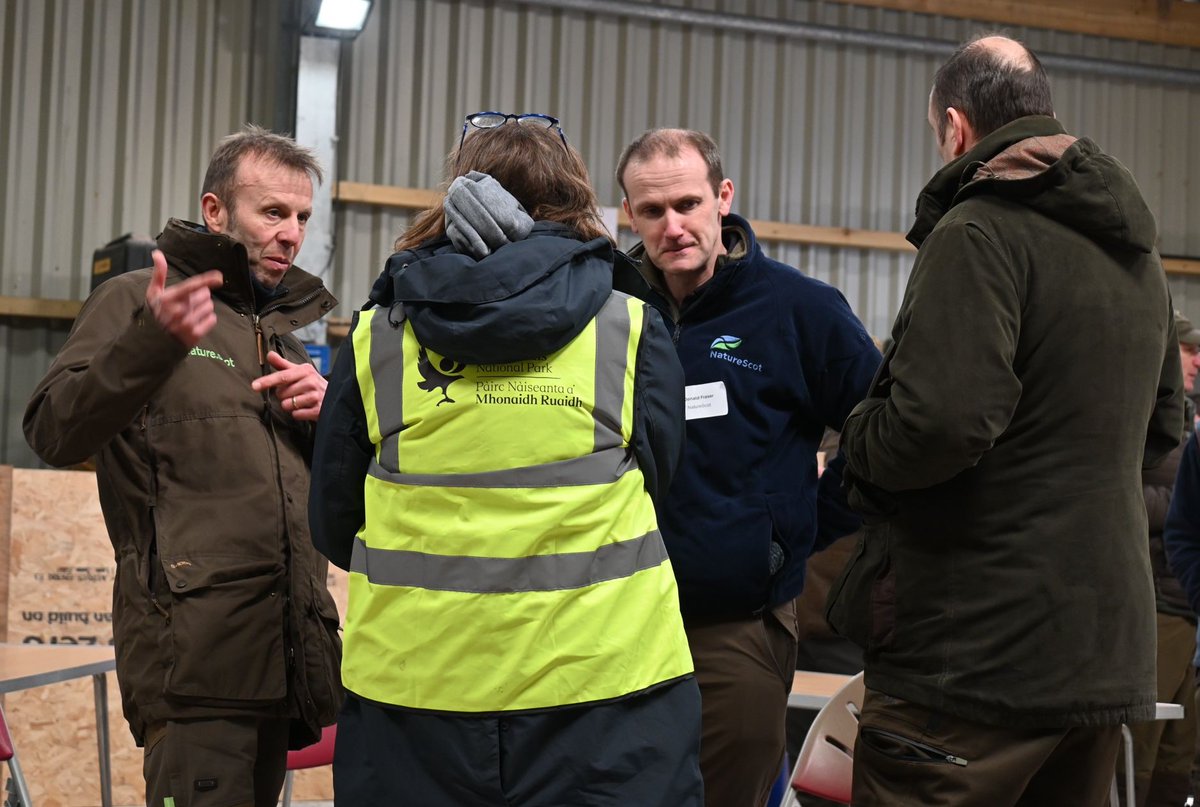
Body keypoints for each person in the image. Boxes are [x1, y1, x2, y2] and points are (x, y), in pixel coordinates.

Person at [826, 34, 1184, 806]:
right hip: (1102, 654)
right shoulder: (1135, 254)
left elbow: (939, 425)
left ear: (956, 128)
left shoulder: (977, 231)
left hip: (974, 660)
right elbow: (1161, 431)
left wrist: (857, 437)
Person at [308, 113, 703, 806]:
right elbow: (659, 483)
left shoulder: (378, 334)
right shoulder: (629, 325)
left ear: (458, 197)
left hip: (416, 696)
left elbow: (334, 521)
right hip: (606, 692)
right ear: (574, 197)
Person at [23, 125, 344, 807]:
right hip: (195, 664)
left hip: (280, 663)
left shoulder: (282, 337)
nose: (292, 234)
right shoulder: (137, 301)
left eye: (302, 217)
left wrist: (331, 419)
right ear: (215, 210)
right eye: (273, 212)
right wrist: (150, 343)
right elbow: (52, 430)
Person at [615, 128, 880, 807]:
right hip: (613, 619)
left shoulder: (797, 310)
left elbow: (884, 431)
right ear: (629, 214)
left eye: (687, 203)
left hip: (733, 625)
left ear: (723, 198)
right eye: (652, 211)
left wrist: (800, 530)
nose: (673, 226)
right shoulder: (608, 311)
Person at [1125, 310, 1200, 806]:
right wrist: (1175, 502)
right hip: (1155, 607)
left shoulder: (1184, 417)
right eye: (1188, 350)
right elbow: (1114, 494)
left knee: (1180, 755)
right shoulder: (1134, 410)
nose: (1196, 361)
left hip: (1185, 608)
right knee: (1140, 750)